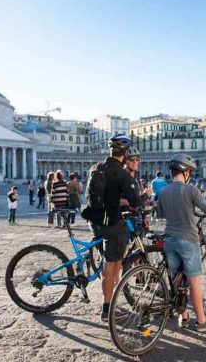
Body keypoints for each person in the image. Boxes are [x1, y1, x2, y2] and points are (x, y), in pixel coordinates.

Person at [157, 153, 206, 332]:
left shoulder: (163, 191)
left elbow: (160, 214)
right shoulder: (191, 190)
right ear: (186, 172)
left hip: (169, 240)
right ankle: (202, 321)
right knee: (194, 281)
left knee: (178, 282)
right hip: (188, 239)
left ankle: (184, 316)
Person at [83, 134, 141, 322]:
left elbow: (89, 197)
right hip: (113, 225)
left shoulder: (96, 168)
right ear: (125, 153)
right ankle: (107, 309)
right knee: (112, 265)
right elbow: (135, 200)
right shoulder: (120, 172)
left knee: (107, 262)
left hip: (95, 222)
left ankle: (110, 300)